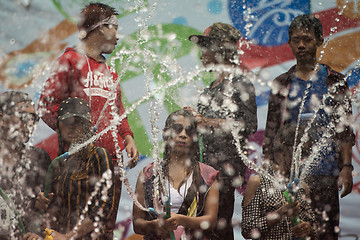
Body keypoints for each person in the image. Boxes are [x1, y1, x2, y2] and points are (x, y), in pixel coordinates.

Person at [37, 2, 139, 235]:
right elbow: (46, 106)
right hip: (76, 164)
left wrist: (128, 136)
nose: (118, 35)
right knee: (73, 228)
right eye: (115, 27)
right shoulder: (69, 61)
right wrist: (74, 135)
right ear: (99, 28)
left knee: (102, 229)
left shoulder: (110, 71)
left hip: (110, 164)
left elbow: (117, 111)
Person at [262, 14, 355, 239]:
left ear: (319, 41)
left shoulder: (334, 81)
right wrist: (271, 175)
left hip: (326, 172)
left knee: (326, 231)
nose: (301, 45)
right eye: (296, 40)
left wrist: (346, 168)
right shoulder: (282, 83)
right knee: (294, 231)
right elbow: (272, 133)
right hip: (292, 175)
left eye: (307, 39)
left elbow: (344, 130)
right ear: (289, 43)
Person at [186, 22, 257, 239]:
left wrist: (207, 121)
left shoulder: (240, 83)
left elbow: (247, 124)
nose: (201, 55)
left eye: (205, 48)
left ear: (220, 49)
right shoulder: (210, 90)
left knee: (218, 227)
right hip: (205, 170)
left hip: (225, 172)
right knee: (205, 229)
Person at [24, 97, 115, 240]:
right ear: (58, 126)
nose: (71, 127)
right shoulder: (58, 164)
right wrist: (41, 226)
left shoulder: (98, 155)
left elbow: (104, 207)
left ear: (88, 125)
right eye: (66, 122)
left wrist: (68, 236)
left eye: (77, 122)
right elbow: (52, 211)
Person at [132, 110, 219, 239]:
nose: (183, 134)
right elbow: (137, 224)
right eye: (177, 129)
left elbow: (211, 222)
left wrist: (180, 220)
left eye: (189, 131)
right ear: (165, 134)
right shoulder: (148, 174)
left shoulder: (207, 175)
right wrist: (157, 225)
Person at [0, 91, 51, 239]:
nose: (30, 124)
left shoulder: (39, 158)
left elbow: (51, 214)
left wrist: (46, 203)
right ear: (2, 119)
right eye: (24, 117)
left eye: (34, 118)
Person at [241, 164, 318, 240]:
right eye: (281, 151)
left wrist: (308, 228)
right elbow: (247, 230)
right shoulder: (257, 182)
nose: (287, 156)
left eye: (289, 151)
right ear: (269, 154)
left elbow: (316, 230)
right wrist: (279, 214)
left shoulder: (302, 186)